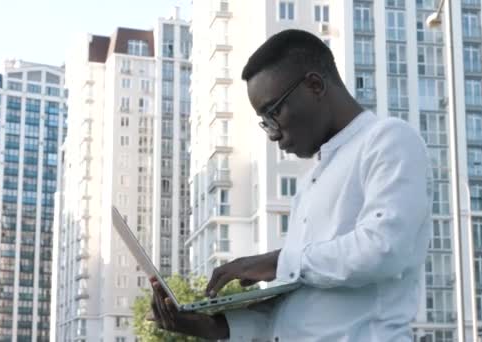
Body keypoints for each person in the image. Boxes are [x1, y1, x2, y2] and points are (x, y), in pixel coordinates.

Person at [149, 29, 432, 341]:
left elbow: (383, 249)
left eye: (273, 112)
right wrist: (208, 326)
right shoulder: (310, 182)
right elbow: (296, 311)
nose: (272, 133)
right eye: (264, 121)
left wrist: (277, 261)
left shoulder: (389, 139)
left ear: (314, 85)